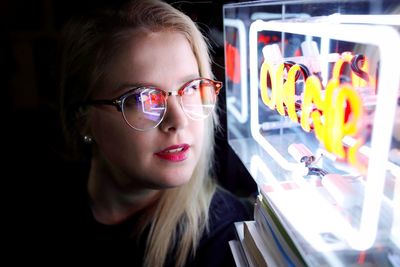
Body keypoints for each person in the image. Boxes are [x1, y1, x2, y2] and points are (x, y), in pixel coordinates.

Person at [57, 0, 251, 266]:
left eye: (191, 87)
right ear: (83, 120)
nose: (178, 120)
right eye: (143, 98)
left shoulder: (224, 237)